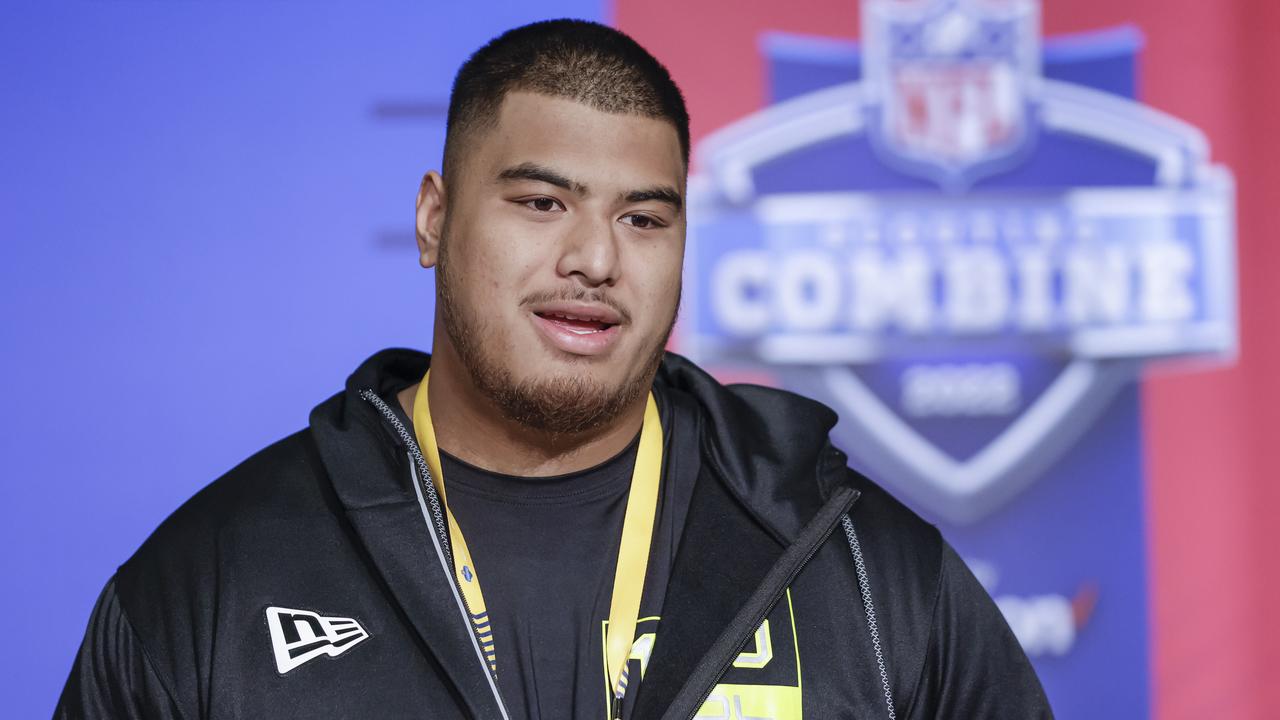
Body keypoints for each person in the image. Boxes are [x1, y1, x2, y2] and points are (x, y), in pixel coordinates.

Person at [55, 19, 1051, 720]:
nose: (595, 259)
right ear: (433, 220)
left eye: (642, 218)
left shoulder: (862, 569)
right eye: (541, 204)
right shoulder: (216, 577)